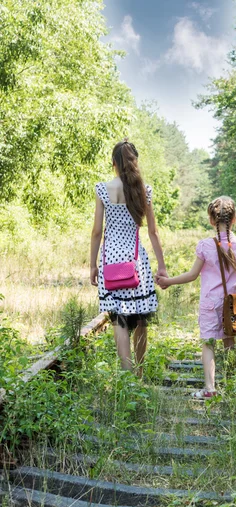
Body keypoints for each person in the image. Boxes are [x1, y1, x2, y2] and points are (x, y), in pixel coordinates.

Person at [157, 196, 236, 398]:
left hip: (210, 301)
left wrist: (168, 281)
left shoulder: (205, 246)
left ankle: (210, 389)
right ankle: (232, 385)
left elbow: (192, 275)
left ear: (211, 220)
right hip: (233, 301)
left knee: (208, 343)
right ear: (234, 219)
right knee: (229, 341)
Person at [90, 139, 167, 375]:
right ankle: (140, 372)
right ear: (135, 162)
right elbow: (152, 232)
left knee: (119, 316)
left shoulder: (104, 189)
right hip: (136, 261)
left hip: (111, 260)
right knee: (141, 314)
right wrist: (162, 266)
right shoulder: (144, 190)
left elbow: (96, 231)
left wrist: (92, 265)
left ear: (114, 163)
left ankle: (126, 374)